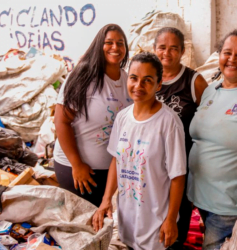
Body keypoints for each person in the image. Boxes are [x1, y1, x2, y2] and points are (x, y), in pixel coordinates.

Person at [92, 52, 186, 250]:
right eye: (134, 78)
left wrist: (170, 220)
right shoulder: (122, 118)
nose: (138, 86)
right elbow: (116, 161)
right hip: (127, 220)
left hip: (155, 224)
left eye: (147, 80)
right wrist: (106, 200)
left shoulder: (169, 122)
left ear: (158, 85)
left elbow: (177, 176)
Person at [53, 24, 133, 207]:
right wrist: (77, 164)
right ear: (99, 45)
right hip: (78, 169)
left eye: (120, 43)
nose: (115, 47)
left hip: (110, 169)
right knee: (83, 223)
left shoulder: (126, 79)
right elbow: (61, 121)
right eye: (109, 42)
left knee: (100, 222)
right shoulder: (84, 75)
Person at [153, 27, 208, 249]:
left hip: (181, 165)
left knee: (178, 219)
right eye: (162, 47)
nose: (167, 53)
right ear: (154, 49)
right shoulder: (148, 78)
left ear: (183, 51)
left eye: (173, 48)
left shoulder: (193, 81)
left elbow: (208, 123)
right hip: (151, 166)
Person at [187, 29, 237, 250]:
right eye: (227, 52)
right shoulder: (210, 91)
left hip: (227, 206)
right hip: (199, 198)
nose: (232, 59)